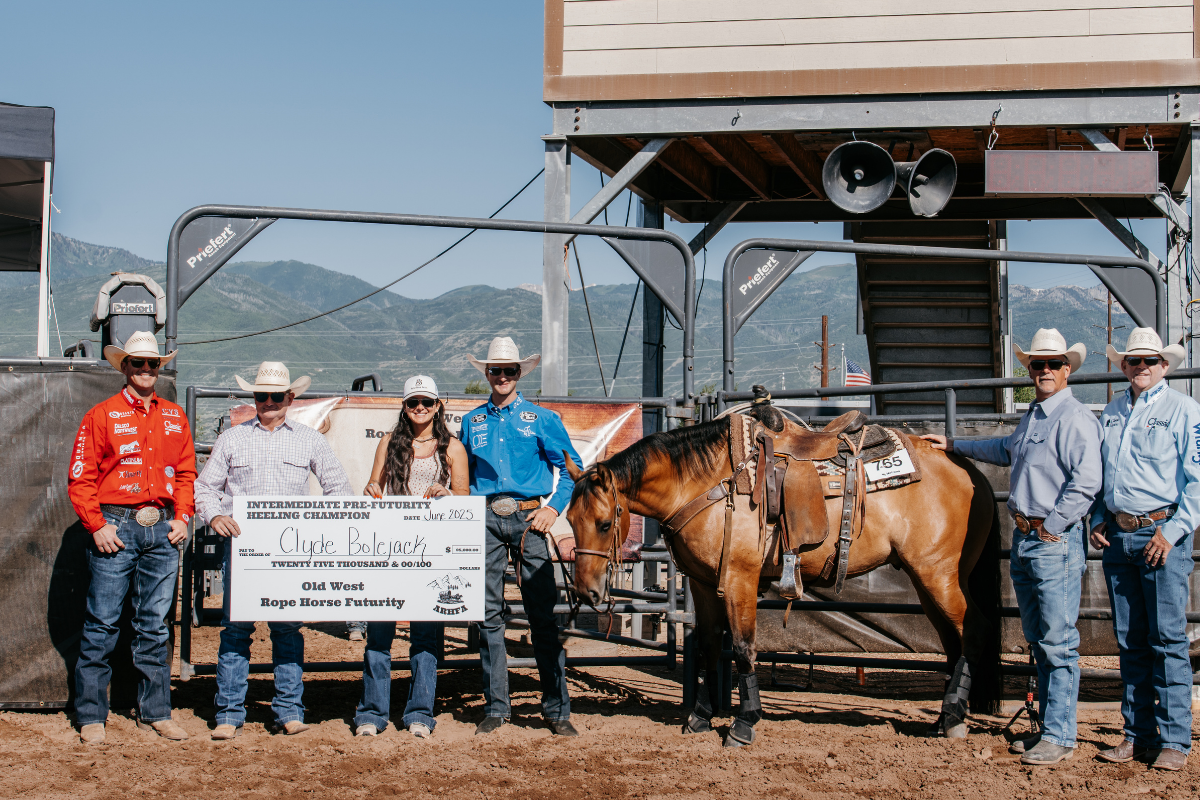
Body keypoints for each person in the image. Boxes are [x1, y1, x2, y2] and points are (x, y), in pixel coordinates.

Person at [922, 328, 1102, 765]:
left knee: (1057, 641)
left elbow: (1087, 482)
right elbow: (1005, 449)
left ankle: (1060, 735)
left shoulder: (1075, 419)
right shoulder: (1036, 417)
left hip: (1048, 539)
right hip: (1029, 539)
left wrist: (1052, 525)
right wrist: (955, 445)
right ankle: (1049, 730)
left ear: (1067, 370)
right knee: (1041, 640)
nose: (1044, 371)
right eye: (1037, 364)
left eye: (1052, 364)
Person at [195, 361, 352, 740]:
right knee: (236, 630)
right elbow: (205, 488)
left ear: (290, 398)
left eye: (275, 396)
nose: (268, 401)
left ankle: (288, 710)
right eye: (261, 395)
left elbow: (339, 489)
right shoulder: (232, 439)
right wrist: (215, 517)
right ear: (254, 398)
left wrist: (319, 526)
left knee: (286, 629)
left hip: (291, 552)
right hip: (242, 549)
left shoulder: (310, 439)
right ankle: (229, 714)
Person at [68, 330, 197, 744]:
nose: (145, 370)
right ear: (123, 367)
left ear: (160, 368)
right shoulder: (100, 414)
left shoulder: (175, 416)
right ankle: (91, 715)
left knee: (155, 625)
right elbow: (81, 477)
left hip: (161, 527)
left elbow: (187, 474)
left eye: (152, 364)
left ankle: (156, 712)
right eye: (137, 363)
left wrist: (183, 516)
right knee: (102, 622)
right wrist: (96, 524)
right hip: (116, 524)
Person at [460, 336, 583, 736]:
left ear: (519, 374)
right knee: (488, 614)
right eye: (495, 370)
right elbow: (460, 471)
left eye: (509, 370)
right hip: (484, 520)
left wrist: (551, 509)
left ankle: (556, 710)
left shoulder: (542, 418)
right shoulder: (471, 421)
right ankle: (497, 707)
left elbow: (570, 468)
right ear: (487, 374)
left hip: (530, 518)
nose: (501, 377)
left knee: (542, 614)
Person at [1089, 328, 1198, 772]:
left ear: (1164, 365)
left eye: (1150, 360)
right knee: (1131, 640)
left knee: (1167, 638)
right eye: (1135, 361)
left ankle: (1174, 739)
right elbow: (1101, 473)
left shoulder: (1186, 411)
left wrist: (1171, 533)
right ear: (1123, 367)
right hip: (1121, 534)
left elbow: (1197, 482)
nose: (1142, 367)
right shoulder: (1111, 413)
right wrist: (1097, 515)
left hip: (1160, 534)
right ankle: (1139, 734)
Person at [355, 375, 469, 738]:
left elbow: (465, 495)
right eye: (413, 402)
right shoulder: (389, 443)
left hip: (433, 549)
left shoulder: (452, 448)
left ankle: (420, 713)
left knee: (424, 636)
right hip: (391, 545)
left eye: (427, 402)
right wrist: (372, 488)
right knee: (379, 634)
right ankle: (373, 713)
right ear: (403, 407)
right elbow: (374, 486)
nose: (420, 408)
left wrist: (449, 492)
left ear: (438, 407)